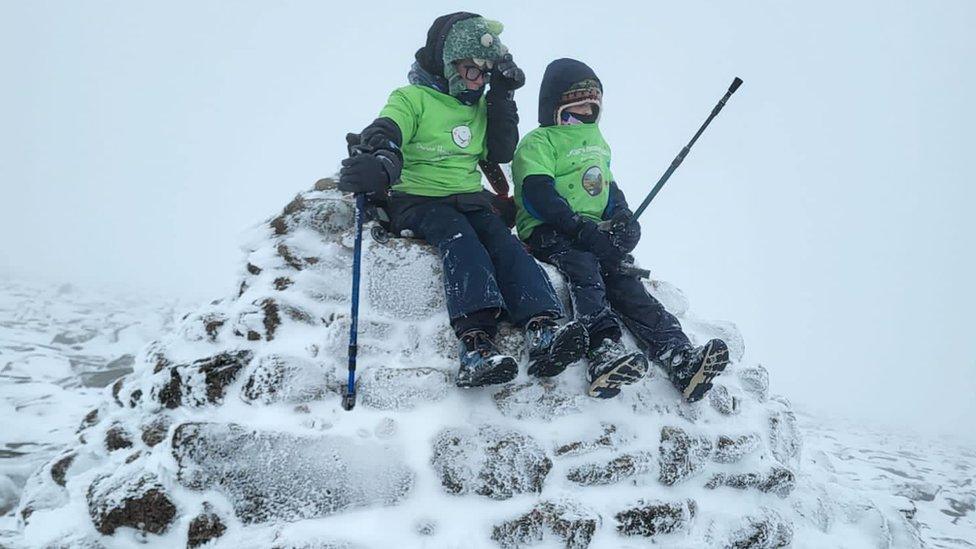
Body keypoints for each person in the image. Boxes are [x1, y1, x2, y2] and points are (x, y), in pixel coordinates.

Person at [337, 14, 587, 388]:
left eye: (486, 73)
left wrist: (502, 96)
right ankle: (475, 345)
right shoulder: (413, 98)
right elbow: (387, 129)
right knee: (462, 243)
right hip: (419, 199)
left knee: (506, 245)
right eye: (473, 70)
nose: (479, 81)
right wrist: (381, 161)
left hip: (469, 199)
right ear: (449, 62)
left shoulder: (480, 107)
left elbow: (501, 148)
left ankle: (542, 327)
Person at [511, 58, 729, 401]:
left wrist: (624, 217)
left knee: (627, 283)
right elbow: (537, 194)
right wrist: (578, 228)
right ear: (557, 106)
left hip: (593, 230)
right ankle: (603, 349)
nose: (585, 113)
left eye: (591, 106)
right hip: (550, 229)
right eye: (576, 106)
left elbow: (607, 187)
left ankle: (679, 356)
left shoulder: (597, 142)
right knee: (584, 267)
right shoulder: (539, 142)